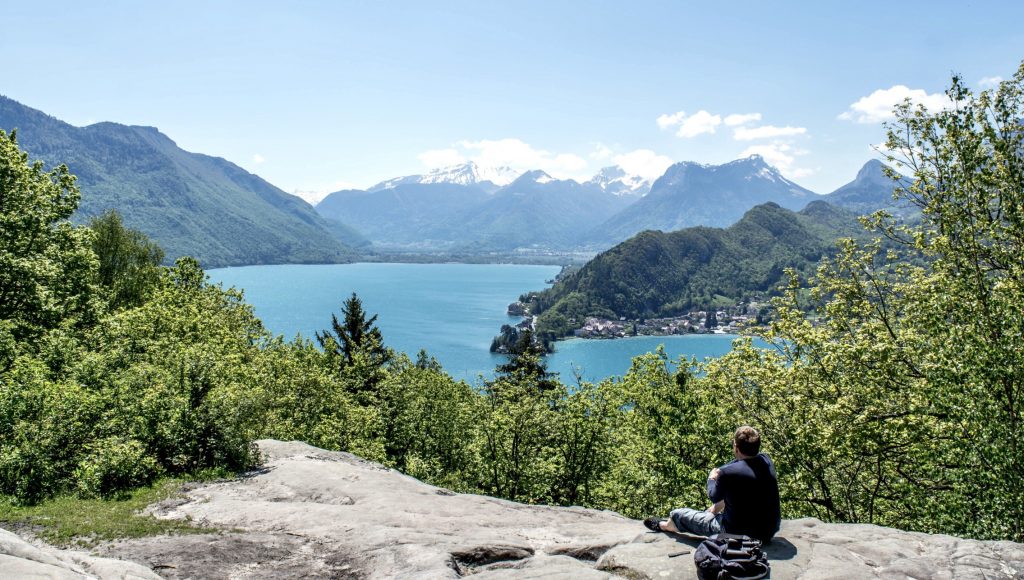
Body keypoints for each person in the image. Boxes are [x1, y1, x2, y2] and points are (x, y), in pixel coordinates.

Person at [644, 425, 781, 543]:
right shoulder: (766, 460)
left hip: (738, 534)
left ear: (736, 446)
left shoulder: (728, 473)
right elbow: (740, 472)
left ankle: (666, 525)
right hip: (768, 532)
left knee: (678, 514)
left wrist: (712, 478)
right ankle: (711, 512)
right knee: (736, 494)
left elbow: (714, 496)